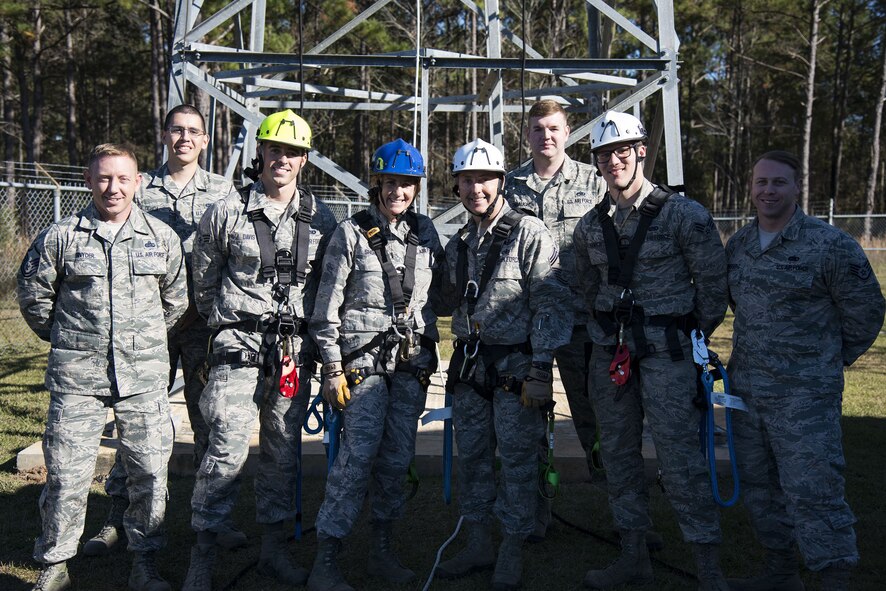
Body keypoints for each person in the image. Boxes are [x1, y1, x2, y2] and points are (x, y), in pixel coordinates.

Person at [17, 143, 187, 591]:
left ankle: (144, 560)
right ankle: (55, 563)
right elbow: (34, 297)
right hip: (78, 378)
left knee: (150, 473)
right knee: (68, 474)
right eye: (104, 178)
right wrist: (71, 341)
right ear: (89, 181)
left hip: (143, 376)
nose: (113, 187)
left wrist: (140, 342)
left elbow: (176, 301)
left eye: (123, 178)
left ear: (138, 182)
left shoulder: (161, 237)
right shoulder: (61, 236)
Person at [180, 109, 337, 591]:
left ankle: (273, 549)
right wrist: (227, 323)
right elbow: (203, 281)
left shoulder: (322, 216)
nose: (282, 159)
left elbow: (328, 285)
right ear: (261, 153)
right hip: (237, 345)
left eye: (292, 152)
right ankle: (202, 556)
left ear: (304, 159)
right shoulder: (227, 210)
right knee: (224, 449)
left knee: (282, 452)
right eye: (274, 150)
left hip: (291, 352)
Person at [573, 111, 729, 590]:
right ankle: (633, 553)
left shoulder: (685, 216)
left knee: (680, 459)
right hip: (612, 357)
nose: (614, 161)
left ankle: (709, 569)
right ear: (596, 162)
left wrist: (682, 333)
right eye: (604, 154)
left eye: (623, 150)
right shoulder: (589, 227)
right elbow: (583, 290)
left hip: (668, 356)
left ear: (641, 150)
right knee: (618, 456)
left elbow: (712, 289)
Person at [83, 104, 244, 558]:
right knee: (136, 426)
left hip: (202, 328)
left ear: (206, 140)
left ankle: (213, 520)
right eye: (177, 130)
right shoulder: (137, 185)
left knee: (210, 423)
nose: (185, 138)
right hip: (145, 328)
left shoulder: (223, 191)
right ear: (165, 134)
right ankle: (118, 518)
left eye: (194, 131)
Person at [725, 151, 885, 591]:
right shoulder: (738, 245)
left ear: (797, 188)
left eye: (779, 183)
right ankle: (780, 573)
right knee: (761, 489)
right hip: (748, 394)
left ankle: (834, 577)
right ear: (752, 188)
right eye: (761, 182)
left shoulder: (828, 245)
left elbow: (867, 312)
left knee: (814, 490)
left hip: (805, 398)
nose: (768, 191)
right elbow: (742, 308)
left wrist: (826, 360)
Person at [306, 139, 443, 591]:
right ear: (376, 183)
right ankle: (327, 558)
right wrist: (331, 367)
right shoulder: (350, 233)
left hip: (409, 367)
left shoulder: (426, 234)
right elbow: (326, 309)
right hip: (361, 366)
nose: (398, 192)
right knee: (355, 459)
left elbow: (436, 297)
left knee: (397, 459)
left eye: (407, 184)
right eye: (390, 183)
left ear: (417, 187)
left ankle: (382, 550)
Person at [434, 138, 572, 591]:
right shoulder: (459, 242)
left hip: (516, 368)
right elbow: (440, 298)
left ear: (500, 182)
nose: (477, 188)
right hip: (471, 370)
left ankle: (512, 546)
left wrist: (540, 369)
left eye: (486, 179)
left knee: (516, 461)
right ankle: (478, 542)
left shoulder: (529, 232)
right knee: (473, 457)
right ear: (457, 186)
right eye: (468, 180)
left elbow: (551, 303)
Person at [505, 99, 605, 490]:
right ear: (527, 134)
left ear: (566, 133)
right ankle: (534, 512)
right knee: (527, 420)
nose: (545, 136)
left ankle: (617, 511)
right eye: (537, 128)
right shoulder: (509, 186)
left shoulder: (594, 182)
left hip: (581, 323)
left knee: (594, 418)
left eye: (553, 128)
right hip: (526, 325)